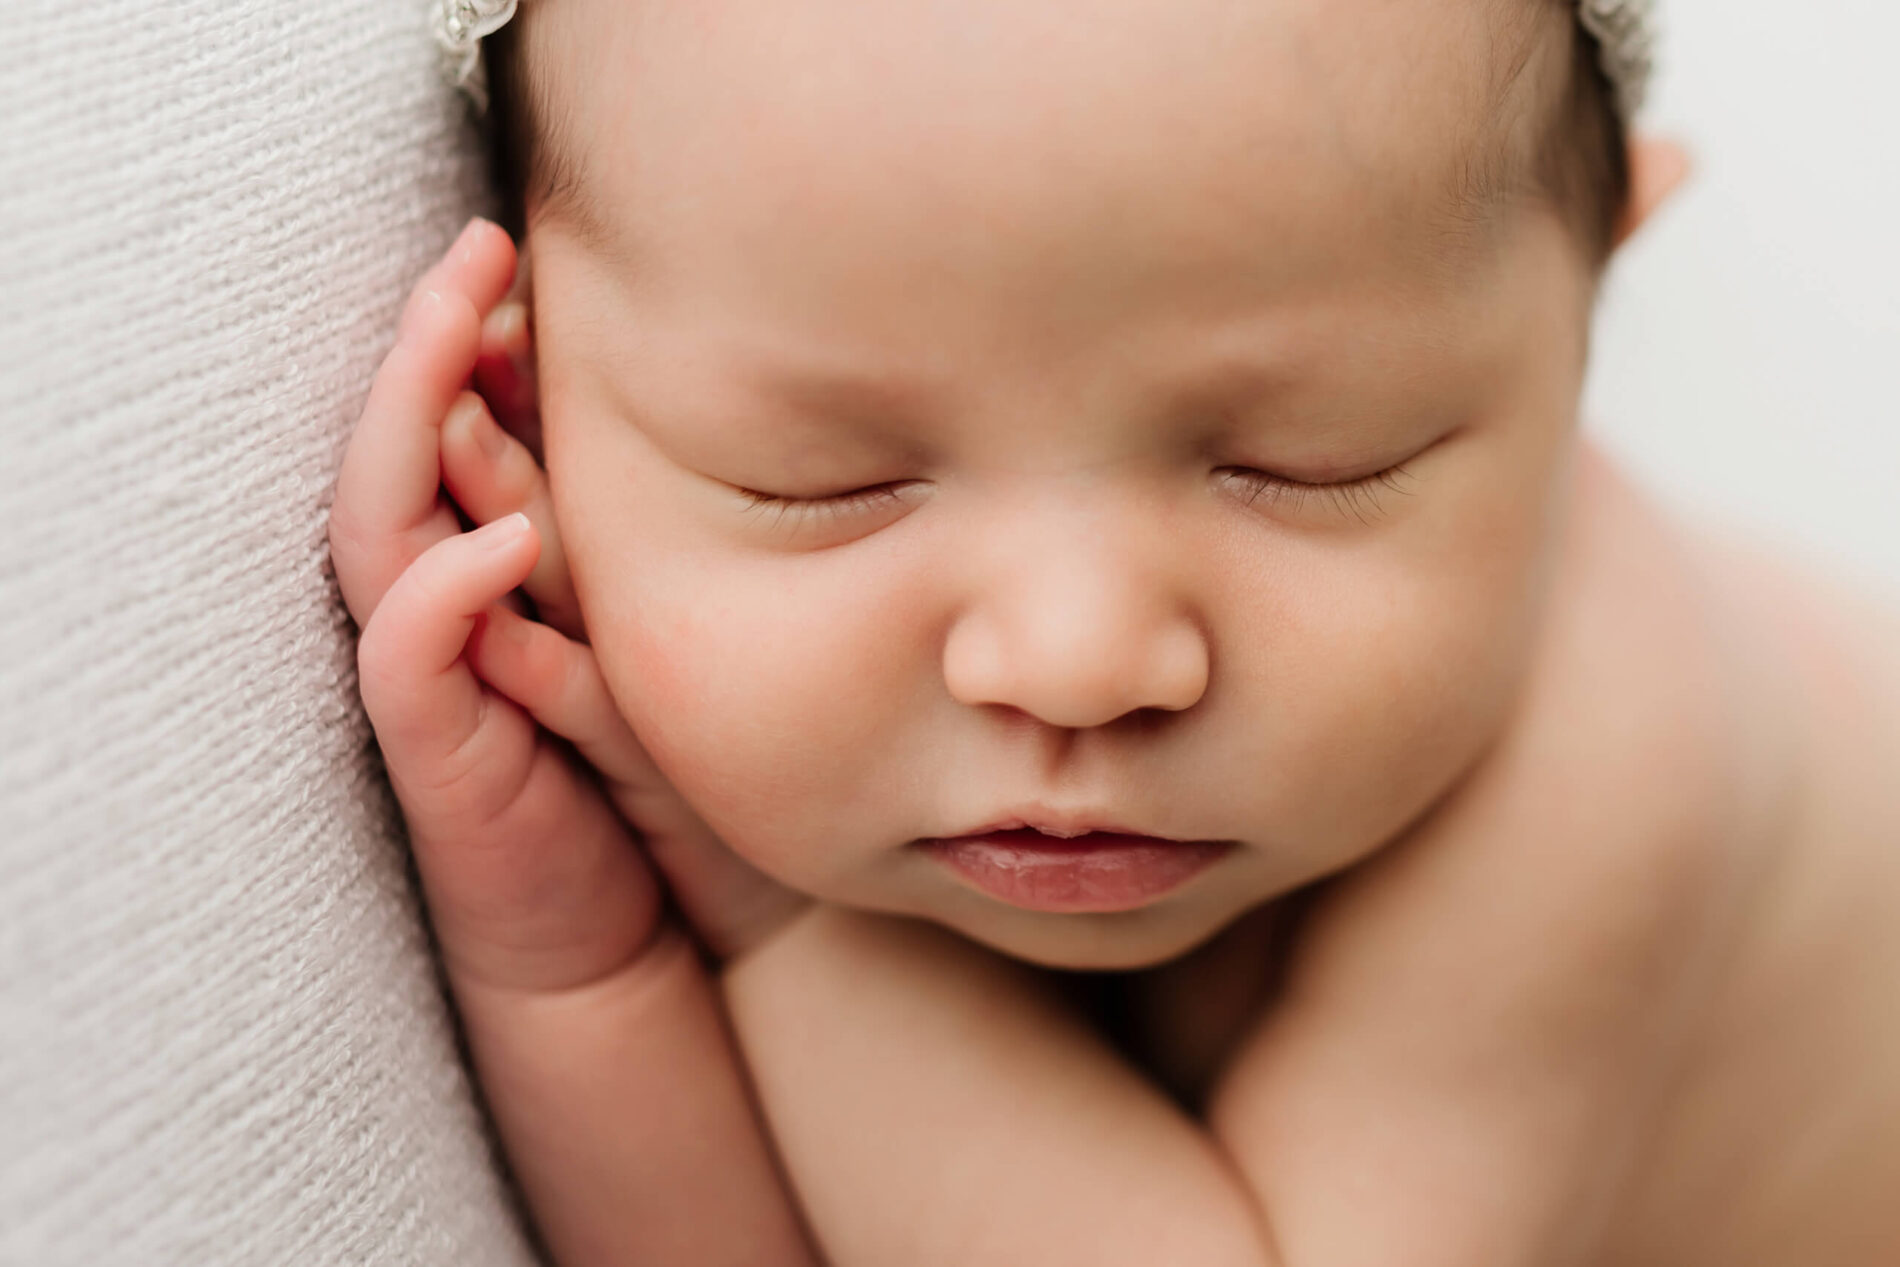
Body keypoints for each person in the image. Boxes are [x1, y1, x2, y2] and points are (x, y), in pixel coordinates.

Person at [326, 0, 1900, 1263]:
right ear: (534, 404)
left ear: (1591, 301)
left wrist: (770, 927)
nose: (1076, 657)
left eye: (1313, 463)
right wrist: (577, 953)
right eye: (831, 481)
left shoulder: (1602, 760)